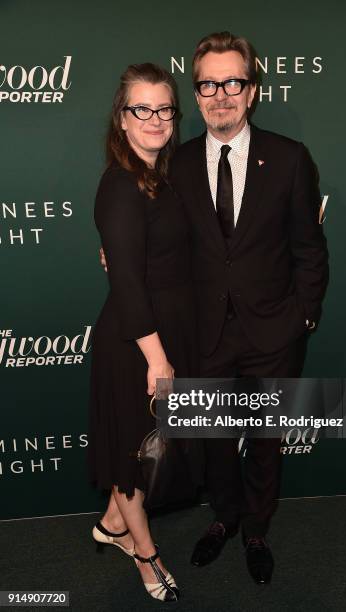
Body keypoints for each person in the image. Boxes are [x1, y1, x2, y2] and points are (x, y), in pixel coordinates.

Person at [169, 32, 329, 585]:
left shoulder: (288, 160)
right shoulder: (179, 164)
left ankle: (257, 527)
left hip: (272, 332)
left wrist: (301, 320)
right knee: (214, 439)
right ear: (196, 93)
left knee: (264, 441)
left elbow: (310, 249)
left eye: (232, 81)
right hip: (205, 333)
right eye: (208, 84)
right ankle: (225, 518)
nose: (221, 95)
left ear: (252, 90)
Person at [88, 62, 197, 603]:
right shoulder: (120, 185)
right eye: (141, 109)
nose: (154, 119)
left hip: (165, 332)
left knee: (145, 453)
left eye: (163, 109)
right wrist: (157, 360)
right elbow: (128, 283)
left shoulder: (162, 173)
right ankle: (145, 554)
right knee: (136, 458)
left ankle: (113, 522)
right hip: (136, 345)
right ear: (122, 119)